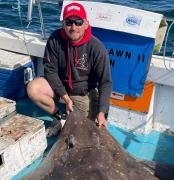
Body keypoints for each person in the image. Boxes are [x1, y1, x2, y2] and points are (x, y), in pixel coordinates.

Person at [27, 2, 112, 137]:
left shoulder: (96, 47)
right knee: (33, 88)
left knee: (80, 134)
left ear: (86, 24)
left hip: (83, 93)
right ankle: (59, 117)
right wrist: (66, 98)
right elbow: (50, 70)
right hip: (61, 89)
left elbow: (105, 82)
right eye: (69, 22)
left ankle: (69, 120)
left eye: (78, 22)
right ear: (63, 24)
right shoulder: (55, 39)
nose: (73, 27)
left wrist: (102, 112)